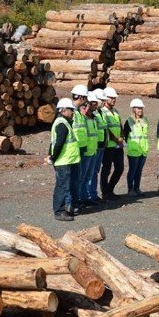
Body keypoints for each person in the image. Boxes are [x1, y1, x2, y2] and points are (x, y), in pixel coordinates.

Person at [48, 98, 81, 221]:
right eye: (71, 110)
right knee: (62, 186)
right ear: (63, 110)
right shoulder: (62, 123)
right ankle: (59, 211)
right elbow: (58, 144)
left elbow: (54, 142)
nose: (73, 112)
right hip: (63, 161)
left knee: (68, 185)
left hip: (69, 160)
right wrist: (52, 158)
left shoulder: (65, 122)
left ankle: (67, 208)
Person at [101, 87, 124, 200]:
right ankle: (105, 193)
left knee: (120, 168)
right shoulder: (103, 112)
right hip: (108, 146)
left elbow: (120, 126)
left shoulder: (116, 112)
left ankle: (110, 189)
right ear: (105, 99)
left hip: (118, 146)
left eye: (114, 98)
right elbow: (106, 129)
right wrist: (115, 139)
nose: (114, 99)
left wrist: (122, 138)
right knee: (106, 170)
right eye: (111, 98)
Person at [124, 99, 149, 197]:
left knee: (139, 171)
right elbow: (125, 135)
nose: (140, 110)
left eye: (141, 108)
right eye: (138, 108)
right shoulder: (129, 121)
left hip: (143, 150)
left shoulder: (145, 120)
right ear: (133, 109)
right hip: (134, 151)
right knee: (132, 170)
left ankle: (137, 188)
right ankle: (130, 189)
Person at [70, 85, 89, 214]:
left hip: (81, 149)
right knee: (73, 179)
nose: (87, 100)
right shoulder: (70, 111)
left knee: (79, 178)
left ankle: (76, 202)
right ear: (81, 97)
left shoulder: (79, 112)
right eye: (85, 97)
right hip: (73, 150)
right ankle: (71, 204)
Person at [80, 91, 99, 206]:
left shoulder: (93, 118)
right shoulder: (83, 118)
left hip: (93, 151)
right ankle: (81, 198)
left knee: (88, 177)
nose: (95, 105)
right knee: (82, 177)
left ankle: (86, 197)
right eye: (93, 103)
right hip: (86, 152)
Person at [89, 89, 108, 204]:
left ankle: (94, 194)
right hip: (95, 146)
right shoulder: (94, 114)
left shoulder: (101, 113)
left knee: (95, 171)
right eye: (102, 100)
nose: (103, 102)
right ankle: (90, 194)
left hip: (101, 146)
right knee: (91, 173)